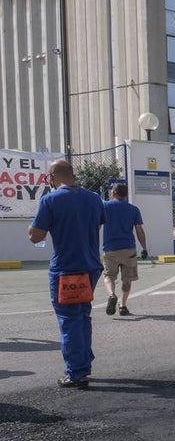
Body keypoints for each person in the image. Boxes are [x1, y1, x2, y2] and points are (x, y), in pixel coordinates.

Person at [27, 159, 106, 389]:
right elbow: (97, 224)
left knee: (69, 319)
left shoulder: (50, 200)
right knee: (82, 316)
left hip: (66, 268)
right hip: (91, 265)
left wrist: (31, 230)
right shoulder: (94, 198)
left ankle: (76, 371)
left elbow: (36, 236)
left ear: (52, 176)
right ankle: (84, 362)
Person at [101, 183, 148, 317]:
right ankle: (123, 305)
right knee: (127, 279)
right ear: (126, 194)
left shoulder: (105, 207)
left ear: (114, 193)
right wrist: (144, 248)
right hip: (129, 249)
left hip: (110, 249)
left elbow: (96, 226)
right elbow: (140, 231)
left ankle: (111, 295)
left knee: (109, 276)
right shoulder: (133, 209)